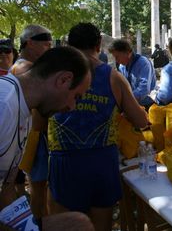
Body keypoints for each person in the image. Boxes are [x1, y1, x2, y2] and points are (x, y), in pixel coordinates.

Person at [47, 23, 148, 231]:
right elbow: (140, 121)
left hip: (65, 160)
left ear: (68, 44)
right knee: (100, 226)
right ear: (99, 44)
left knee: (65, 225)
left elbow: (37, 122)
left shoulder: (53, 77)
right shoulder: (113, 77)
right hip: (101, 162)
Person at [0, 46, 94, 230]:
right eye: (76, 97)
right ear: (63, 80)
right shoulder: (4, 105)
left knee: (78, 224)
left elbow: (7, 188)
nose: (73, 107)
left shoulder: (25, 109)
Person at [9, 24, 54, 221]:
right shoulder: (26, 68)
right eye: (46, 45)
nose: (49, 50)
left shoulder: (20, 66)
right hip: (34, 136)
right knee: (38, 186)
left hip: (33, 135)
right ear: (30, 43)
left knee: (39, 185)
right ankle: (40, 223)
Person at [108, 39, 157, 110]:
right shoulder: (122, 66)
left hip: (147, 105)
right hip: (132, 104)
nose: (116, 60)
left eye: (117, 57)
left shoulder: (143, 63)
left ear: (127, 53)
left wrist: (125, 99)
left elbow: (144, 89)